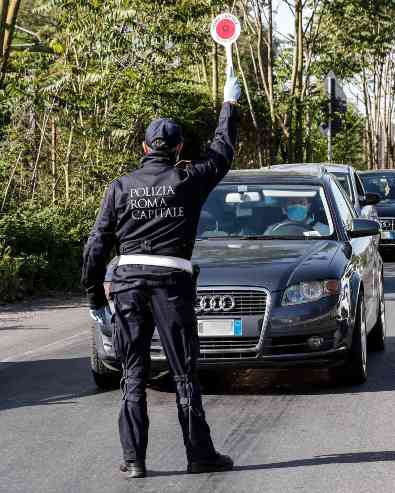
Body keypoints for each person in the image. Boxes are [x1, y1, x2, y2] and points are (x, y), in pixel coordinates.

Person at [81, 66, 241, 479]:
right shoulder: (189, 180)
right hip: (172, 284)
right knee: (185, 373)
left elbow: (97, 243)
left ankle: (134, 460)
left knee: (133, 374)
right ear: (179, 146)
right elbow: (222, 151)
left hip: (129, 284)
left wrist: (95, 297)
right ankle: (199, 455)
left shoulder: (119, 186)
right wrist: (229, 104)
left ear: (144, 147)